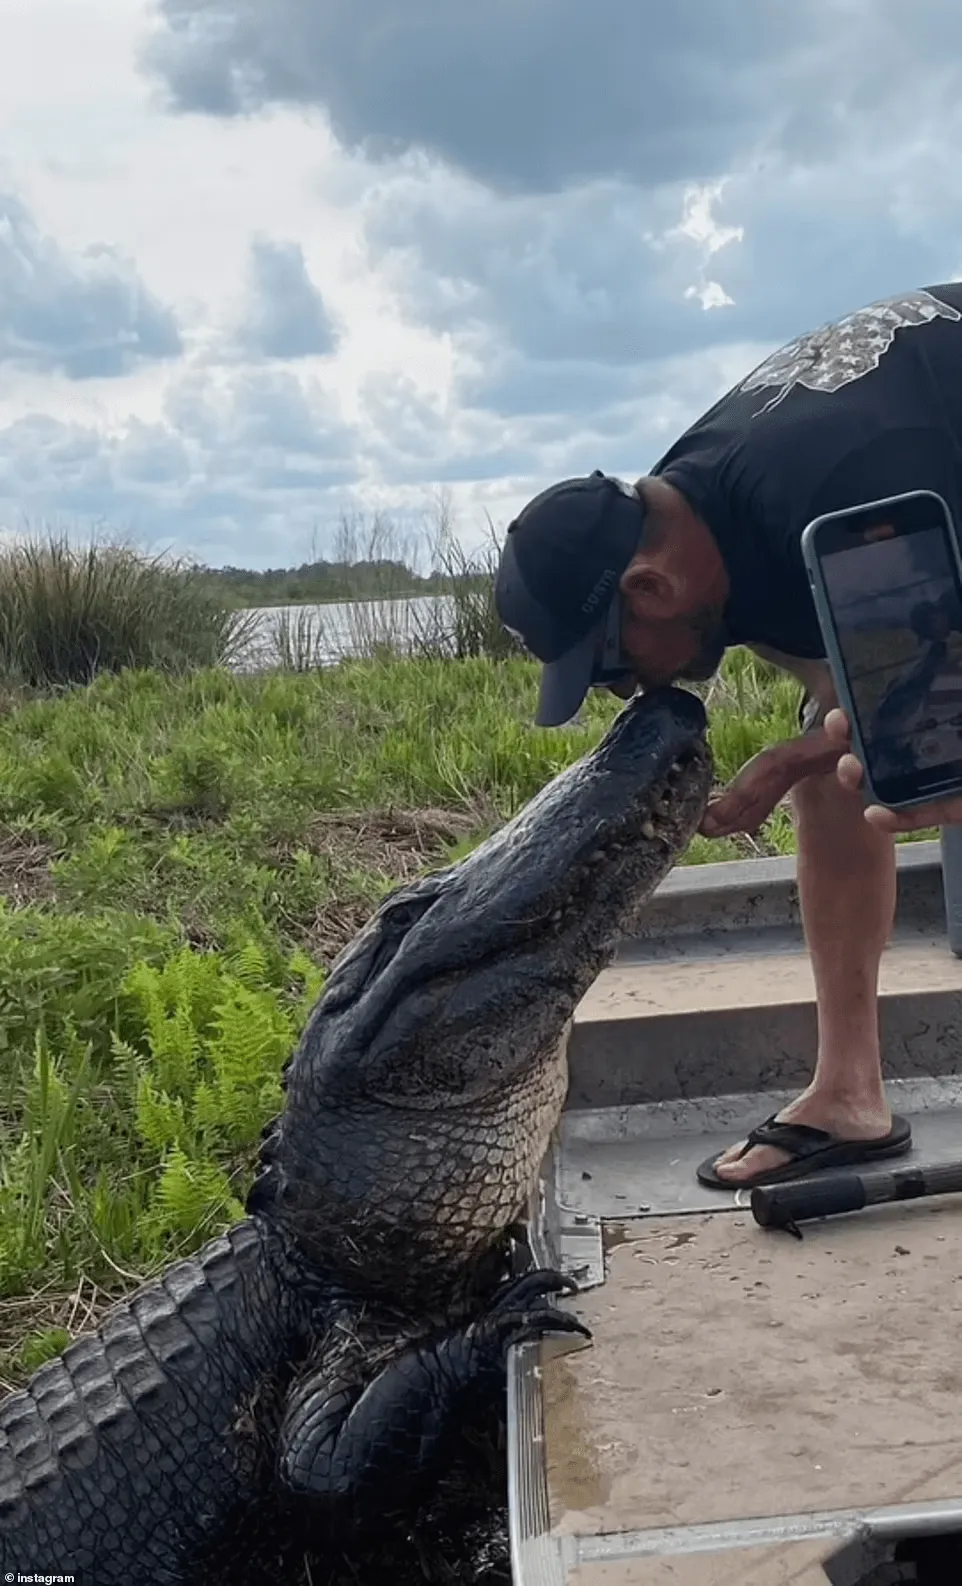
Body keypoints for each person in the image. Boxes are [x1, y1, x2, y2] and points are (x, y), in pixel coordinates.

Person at [494, 283, 962, 1189]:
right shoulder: (696, 507)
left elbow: (936, 689)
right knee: (844, 779)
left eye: (614, 669)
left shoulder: (839, 489)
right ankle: (850, 1096)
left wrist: (791, 760)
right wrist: (803, 758)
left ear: (649, 590)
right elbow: (850, 683)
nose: (631, 691)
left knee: (918, 762)